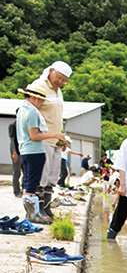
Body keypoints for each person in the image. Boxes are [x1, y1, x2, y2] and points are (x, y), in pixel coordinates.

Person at [27, 60, 72, 219]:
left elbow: (57, 117)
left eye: (64, 81)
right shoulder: (39, 86)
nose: (60, 82)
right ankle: (37, 210)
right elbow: (30, 111)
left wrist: (62, 137)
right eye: (59, 78)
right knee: (41, 176)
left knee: (53, 176)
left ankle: (46, 208)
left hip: (56, 140)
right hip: (43, 140)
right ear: (51, 71)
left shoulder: (58, 91)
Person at [15, 84, 66, 223]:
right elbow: (34, 135)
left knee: (28, 183)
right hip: (34, 151)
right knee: (32, 183)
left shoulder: (22, 110)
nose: (42, 102)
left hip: (25, 150)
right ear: (34, 98)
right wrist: (54, 135)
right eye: (41, 99)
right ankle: (33, 215)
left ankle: (31, 214)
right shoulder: (31, 112)